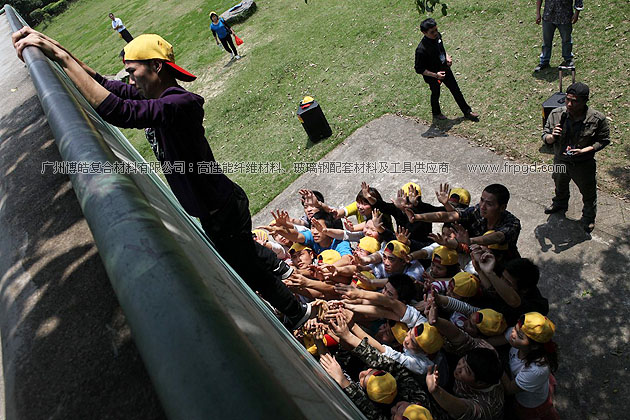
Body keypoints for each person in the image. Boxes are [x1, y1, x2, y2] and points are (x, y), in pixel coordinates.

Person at [12, 29, 312, 329]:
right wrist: (51, 45)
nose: (129, 79)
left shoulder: (178, 103)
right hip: (217, 208)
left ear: (156, 67)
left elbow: (118, 112)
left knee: (246, 269)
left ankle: (296, 310)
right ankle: (280, 267)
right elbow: (103, 84)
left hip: (222, 210)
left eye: (133, 71)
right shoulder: (153, 95)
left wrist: (61, 57)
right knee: (241, 251)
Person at [542, 82, 610, 232]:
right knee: (559, 186)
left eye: (575, 101)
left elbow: (604, 140)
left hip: (583, 164)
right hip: (561, 160)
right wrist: (552, 137)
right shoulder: (556, 114)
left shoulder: (597, 119)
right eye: (567, 99)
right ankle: (560, 203)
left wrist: (587, 149)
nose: (570, 104)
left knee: (588, 193)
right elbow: (545, 135)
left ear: (585, 101)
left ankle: (588, 218)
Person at [407, 184, 521, 260]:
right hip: (476, 258)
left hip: (503, 266)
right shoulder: (478, 210)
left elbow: (496, 237)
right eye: (482, 200)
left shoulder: (512, 223)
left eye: (489, 204)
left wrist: (469, 241)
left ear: (502, 207)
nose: (483, 206)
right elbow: (449, 216)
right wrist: (417, 217)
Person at [414, 18, 479, 121]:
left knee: (456, 90)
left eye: (436, 30)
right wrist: (436, 75)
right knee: (436, 93)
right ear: (424, 33)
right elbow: (419, 69)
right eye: (432, 32)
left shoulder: (438, 36)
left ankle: (467, 112)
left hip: (445, 70)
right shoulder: (421, 50)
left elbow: (441, 48)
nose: (435, 33)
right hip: (434, 77)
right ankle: (436, 113)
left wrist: (447, 57)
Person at [534, 0, 583, 71]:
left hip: (565, 17)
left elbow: (578, 1)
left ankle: (568, 59)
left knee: (566, 39)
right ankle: (544, 61)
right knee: (546, 40)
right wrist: (538, 13)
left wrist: (576, 13)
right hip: (548, 16)